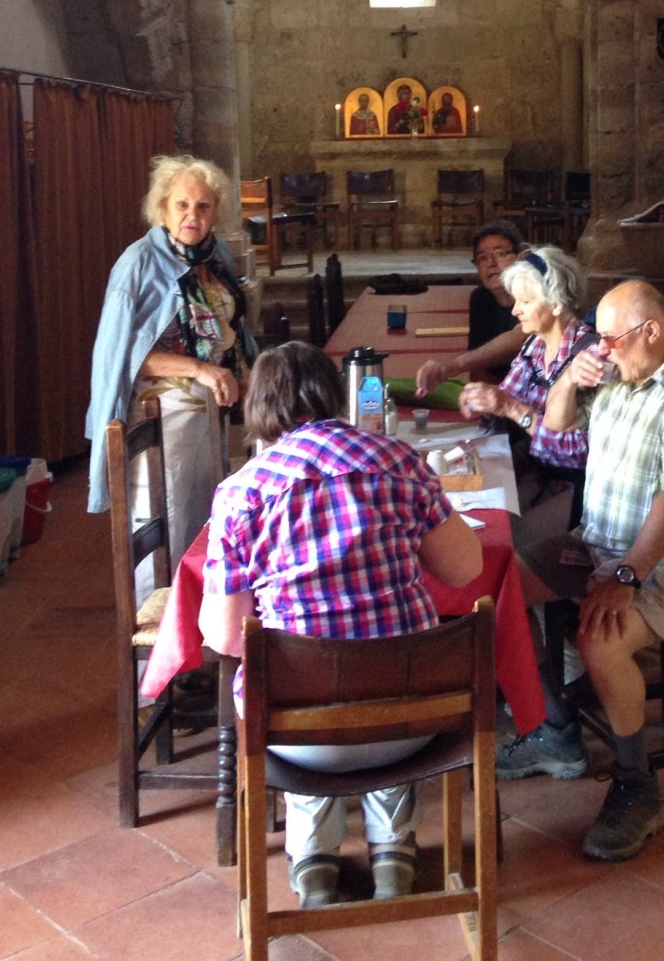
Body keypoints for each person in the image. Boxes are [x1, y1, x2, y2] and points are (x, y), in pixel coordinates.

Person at [198, 343, 482, 908]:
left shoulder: (240, 494)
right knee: (389, 661)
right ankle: (393, 852)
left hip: (299, 736)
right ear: (334, 392)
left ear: (259, 406)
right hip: (414, 718)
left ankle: (314, 861)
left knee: (297, 681)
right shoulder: (399, 462)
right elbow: (464, 568)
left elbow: (226, 636)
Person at [495, 280, 664, 864]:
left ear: (650, 331)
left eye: (610, 338)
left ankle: (637, 783)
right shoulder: (617, 374)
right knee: (501, 588)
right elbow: (556, 428)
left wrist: (627, 576)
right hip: (595, 544)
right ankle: (556, 729)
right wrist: (566, 381)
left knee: (600, 636)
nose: (600, 348)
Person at [85, 154, 257, 581]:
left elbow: (234, 325)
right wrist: (200, 369)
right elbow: (122, 352)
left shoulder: (215, 258)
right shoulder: (138, 263)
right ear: (162, 207)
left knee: (204, 515)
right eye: (182, 204)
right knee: (165, 516)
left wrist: (247, 368)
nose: (192, 215)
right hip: (159, 413)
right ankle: (161, 608)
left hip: (207, 411)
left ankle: (199, 607)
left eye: (203, 206)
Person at [458, 246, 594, 543]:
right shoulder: (536, 345)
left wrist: (510, 408)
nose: (515, 310)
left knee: (501, 541)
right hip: (535, 472)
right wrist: (482, 402)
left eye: (526, 301)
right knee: (469, 521)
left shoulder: (588, 357)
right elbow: (505, 399)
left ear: (556, 303)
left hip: (576, 489)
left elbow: (579, 453)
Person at [415, 220, 527, 394]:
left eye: (499, 254)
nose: (491, 263)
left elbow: (520, 337)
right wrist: (482, 398)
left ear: (520, 258)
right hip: (502, 393)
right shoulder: (480, 298)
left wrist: (455, 364)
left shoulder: (532, 293)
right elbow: (479, 364)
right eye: (482, 258)